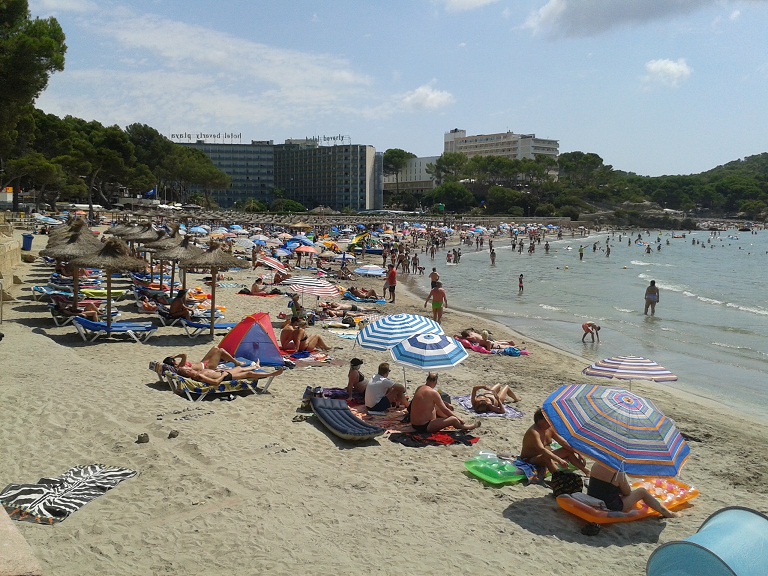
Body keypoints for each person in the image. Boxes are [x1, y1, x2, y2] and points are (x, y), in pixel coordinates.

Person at [587, 461, 679, 518]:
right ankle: (667, 513)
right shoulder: (617, 473)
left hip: (592, 497)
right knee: (642, 491)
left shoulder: (596, 464)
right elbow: (627, 492)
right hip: (609, 505)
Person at [520, 409, 589, 476]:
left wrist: (577, 452)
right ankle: (559, 476)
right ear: (539, 420)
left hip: (542, 455)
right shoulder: (534, 432)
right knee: (546, 457)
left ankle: (586, 471)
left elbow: (562, 442)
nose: (550, 423)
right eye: (547, 421)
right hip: (530, 459)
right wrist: (559, 460)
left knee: (567, 451)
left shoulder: (549, 429)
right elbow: (542, 450)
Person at [409, 373, 479, 432]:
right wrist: (458, 418)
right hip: (424, 426)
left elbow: (433, 401)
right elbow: (444, 409)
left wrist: (446, 404)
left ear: (427, 380)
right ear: (435, 382)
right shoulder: (433, 392)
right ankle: (467, 427)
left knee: (436, 407)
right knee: (453, 419)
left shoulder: (420, 388)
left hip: (414, 424)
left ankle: (446, 419)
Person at [163, 346, 241, 372]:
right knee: (220, 351)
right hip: (208, 367)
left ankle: (224, 359)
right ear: (173, 362)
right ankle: (236, 362)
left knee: (215, 348)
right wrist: (175, 356)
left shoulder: (178, 366)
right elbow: (184, 355)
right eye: (174, 360)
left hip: (203, 363)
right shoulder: (180, 366)